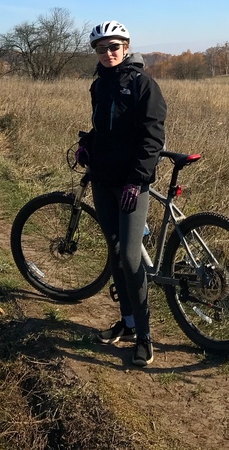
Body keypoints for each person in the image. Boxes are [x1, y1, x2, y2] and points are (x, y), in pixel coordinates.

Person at [78, 20, 167, 368]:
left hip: (132, 184)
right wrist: (87, 146)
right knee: (115, 252)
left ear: (126, 48)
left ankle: (145, 337)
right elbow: (104, 130)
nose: (108, 53)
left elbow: (152, 139)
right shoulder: (99, 85)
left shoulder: (144, 85)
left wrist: (136, 180)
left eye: (114, 47)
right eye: (102, 49)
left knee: (130, 258)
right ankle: (127, 324)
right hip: (102, 180)